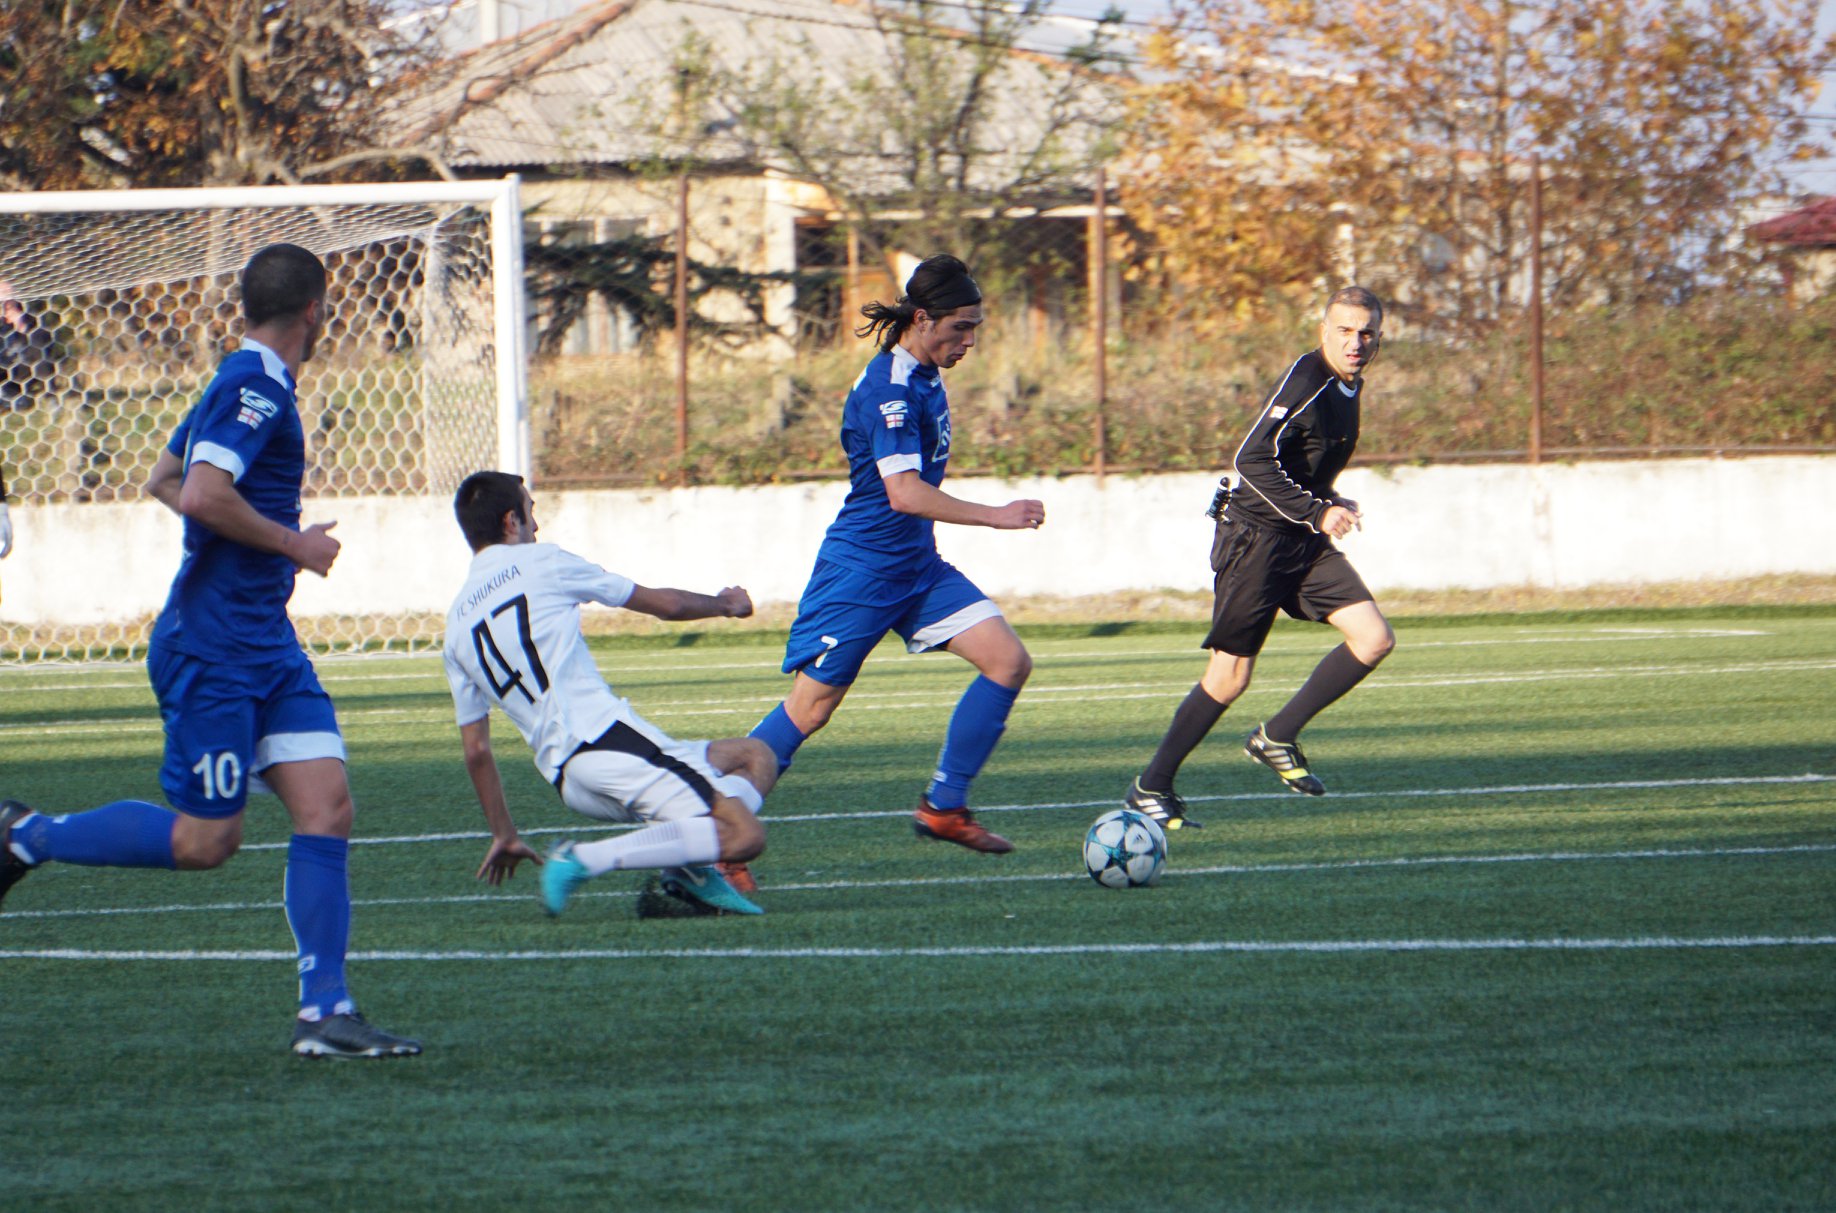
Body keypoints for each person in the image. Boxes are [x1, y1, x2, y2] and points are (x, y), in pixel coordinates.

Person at [0, 243, 421, 1060]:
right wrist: (292, 544)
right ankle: (27, 834)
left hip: (266, 642)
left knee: (327, 806)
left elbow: (164, 478)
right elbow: (197, 492)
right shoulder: (255, 385)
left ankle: (325, 1013)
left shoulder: (240, 379)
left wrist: (256, 548)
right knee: (206, 841)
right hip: (214, 647)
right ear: (315, 309)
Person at [744, 253, 1046, 872]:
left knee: (1008, 661)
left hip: (916, 566)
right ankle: (717, 836)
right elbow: (904, 494)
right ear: (922, 319)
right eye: (960, 327)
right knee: (810, 710)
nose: (969, 341)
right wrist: (997, 515)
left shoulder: (925, 374)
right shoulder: (892, 390)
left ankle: (944, 807)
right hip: (862, 572)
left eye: (975, 328)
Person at [441, 470, 772, 918]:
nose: (536, 524)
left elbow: (477, 750)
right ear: (510, 521)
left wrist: (504, 833)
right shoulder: (543, 562)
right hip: (608, 741)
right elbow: (666, 605)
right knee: (744, 836)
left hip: (569, 778)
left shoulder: (455, 627)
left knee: (754, 757)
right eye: (530, 511)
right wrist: (725, 604)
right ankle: (583, 859)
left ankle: (686, 869)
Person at [1123, 286, 1396, 829]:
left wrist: (1329, 499)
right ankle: (1150, 786)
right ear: (1324, 332)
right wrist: (1316, 511)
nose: (1355, 342)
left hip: (1301, 539)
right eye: (1344, 330)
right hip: (1256, 540)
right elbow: (1251, 458)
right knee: (1229, 677)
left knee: (1373, 638)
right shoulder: (1309, 379)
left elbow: (1299, 460)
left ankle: (1277, 737)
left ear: (1378, 339)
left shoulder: (1348, 385)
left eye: (1366, 333)